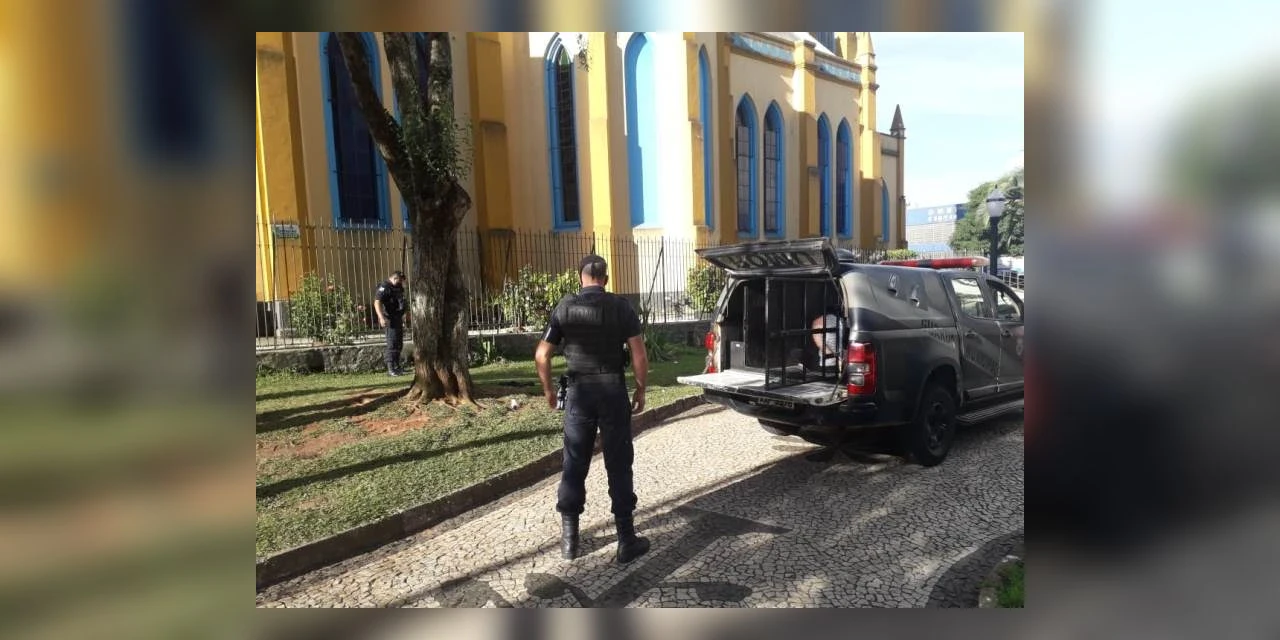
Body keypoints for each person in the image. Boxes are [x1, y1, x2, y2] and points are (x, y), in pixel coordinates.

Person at [535, 254, 651, 564]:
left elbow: (542, 355)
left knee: (574, 463)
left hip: (579, 393)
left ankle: (570, 542)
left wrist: (548, 391)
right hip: (612, 392)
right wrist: (640, 388)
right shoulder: (621, 307)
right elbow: (638, 355)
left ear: (579, 278)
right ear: (607, 279)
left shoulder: (565, 307)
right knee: (619, 463)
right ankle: (626, 540)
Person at [374, 270, 407, 376]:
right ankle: (390, 368)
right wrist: (381, 317)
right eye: (400, 280)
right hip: (389, 319)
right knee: (392, 343)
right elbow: (377, 302)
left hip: (397, 318)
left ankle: (397, 366)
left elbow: (401, 301)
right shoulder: (384, 287)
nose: (401, 283)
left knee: (399, 343)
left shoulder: (398, 287)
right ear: (394, 278)